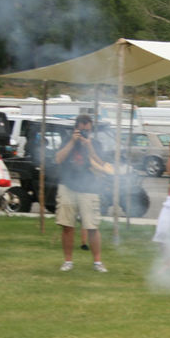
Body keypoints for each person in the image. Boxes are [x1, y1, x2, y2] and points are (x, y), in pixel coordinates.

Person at [55, 115, 107, 272]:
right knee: (67, 226)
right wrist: (72, 141)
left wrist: (89, 146)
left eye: (88, 130)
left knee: (92, 226)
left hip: (89, 188)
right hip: (67, 186)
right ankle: (68, 261)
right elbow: (58, 159)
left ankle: (97, 262)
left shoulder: (95, 143)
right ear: (76, 129)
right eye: (82, 130)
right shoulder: (67, 140)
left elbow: (101, 164)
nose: (85, 133)